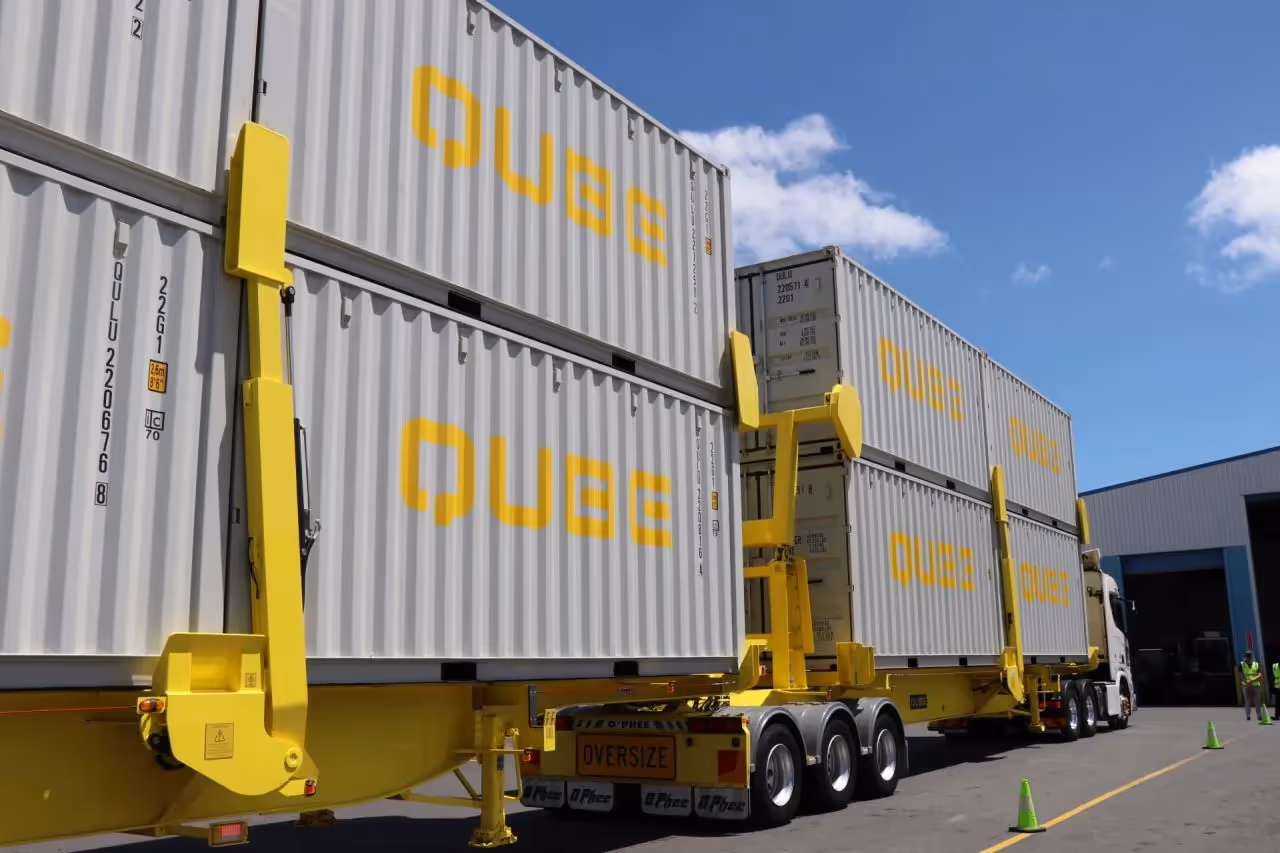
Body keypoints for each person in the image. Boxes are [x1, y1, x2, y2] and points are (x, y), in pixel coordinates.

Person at [1241, 649, 1263, 721]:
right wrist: (1247, 681)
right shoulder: (1242, 664)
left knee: (1257, 701)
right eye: (1247, 656)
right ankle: (1248, 716)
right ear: (1245, 657)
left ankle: (1259, 716)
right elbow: (1241, 675)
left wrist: (1252, 680)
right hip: (1246, 685)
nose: (1248, 658)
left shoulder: (1256, 664)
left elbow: (1260, 674)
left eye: (1249, 656)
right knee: (1248, 701)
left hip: (1256, 685)